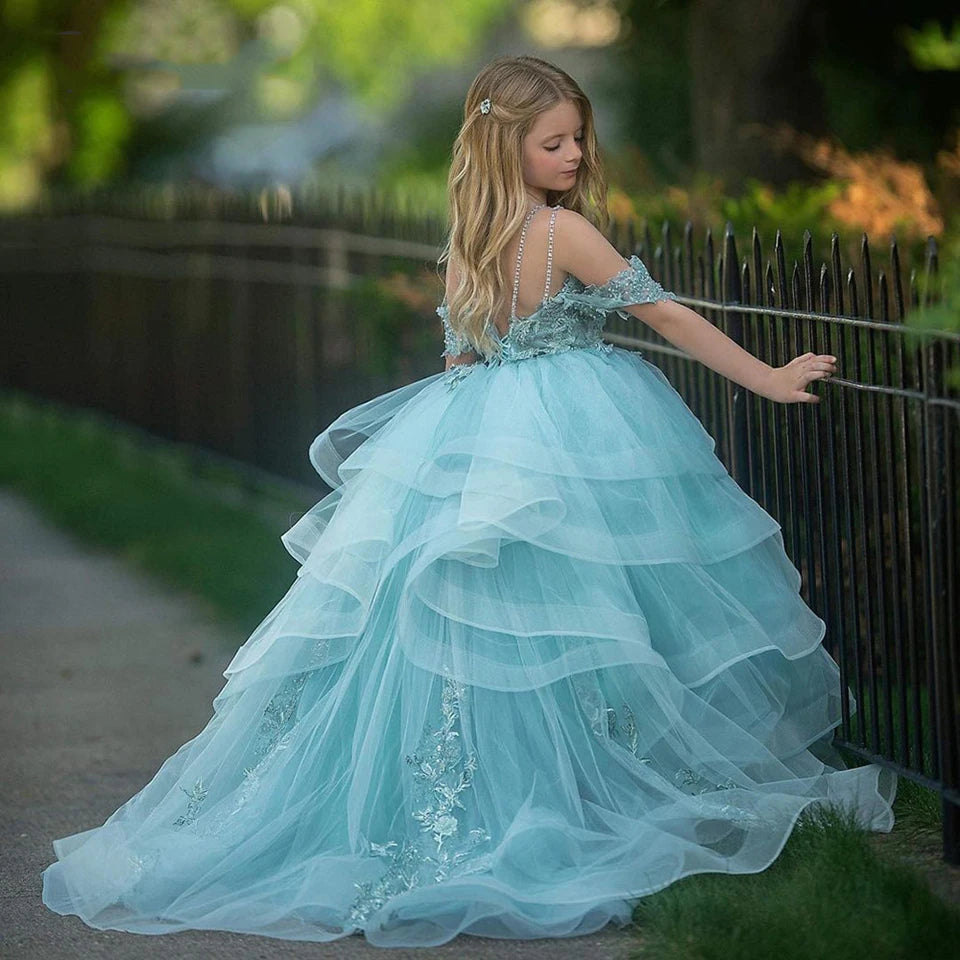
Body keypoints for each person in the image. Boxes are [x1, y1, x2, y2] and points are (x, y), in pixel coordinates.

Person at [41, 54, 896, 948]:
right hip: (573, 430)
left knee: (490, 621)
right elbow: (667, 316)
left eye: (578, 139)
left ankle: (498, 790)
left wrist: (455, 454)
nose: (573, 155)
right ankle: (571, 785)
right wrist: (766, 375)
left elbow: (461, 360)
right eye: (554, 142)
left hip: (480, 427)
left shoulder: (471, 237)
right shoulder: (564, 234)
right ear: (505, 145)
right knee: (583, 609)